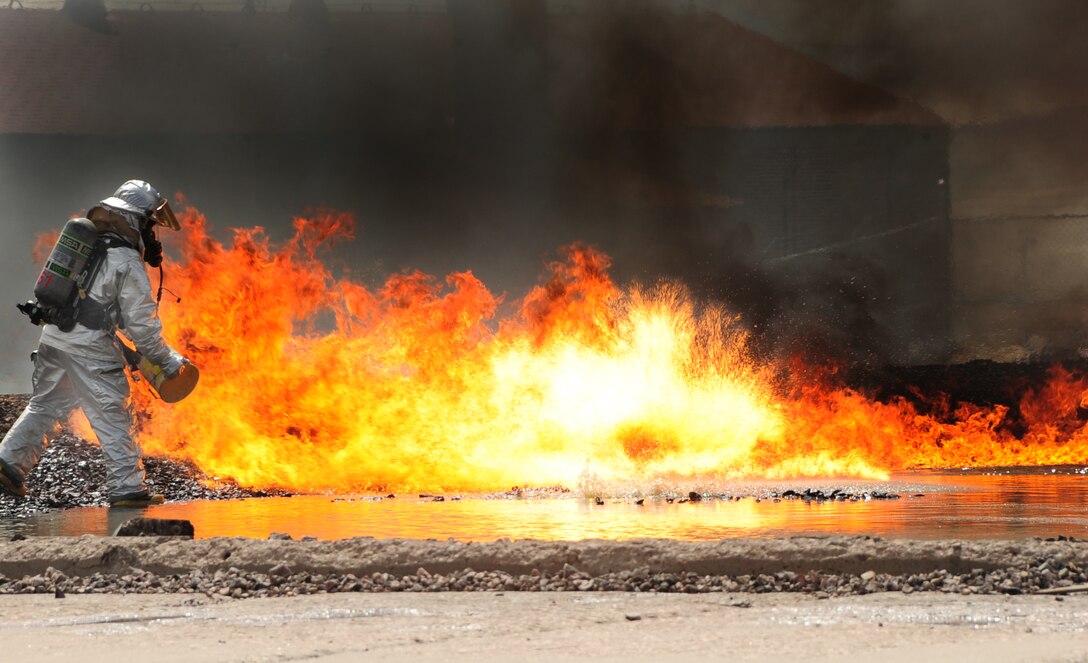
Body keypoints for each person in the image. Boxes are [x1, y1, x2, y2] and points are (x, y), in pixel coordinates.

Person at [0, 180, 187, 508]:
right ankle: (128, 489)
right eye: (150, 227)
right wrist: (170, 362)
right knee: (113, 412)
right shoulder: (127, 263)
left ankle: (8, 463)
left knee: (46, 404)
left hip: (54, 337)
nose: (152, 237)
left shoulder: (88, 248)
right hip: (88, 346)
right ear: (134, 222)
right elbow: (142, 328)